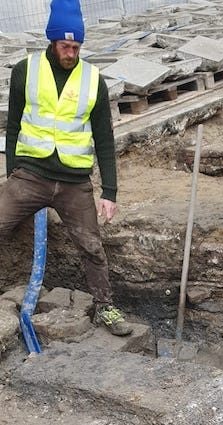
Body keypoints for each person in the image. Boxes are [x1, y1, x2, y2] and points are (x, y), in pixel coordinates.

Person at [0, 0, 132, 336]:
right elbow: (13, 125)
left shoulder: (92, 79)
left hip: (74, 182)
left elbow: (104, 137)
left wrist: (110, 192)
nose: (71, 53)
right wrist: (12, 171)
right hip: (30, 175)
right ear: (52, 41)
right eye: (65, 46)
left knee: (91, 246)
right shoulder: (25, 71)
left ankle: (106, 307)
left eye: (76, 47)